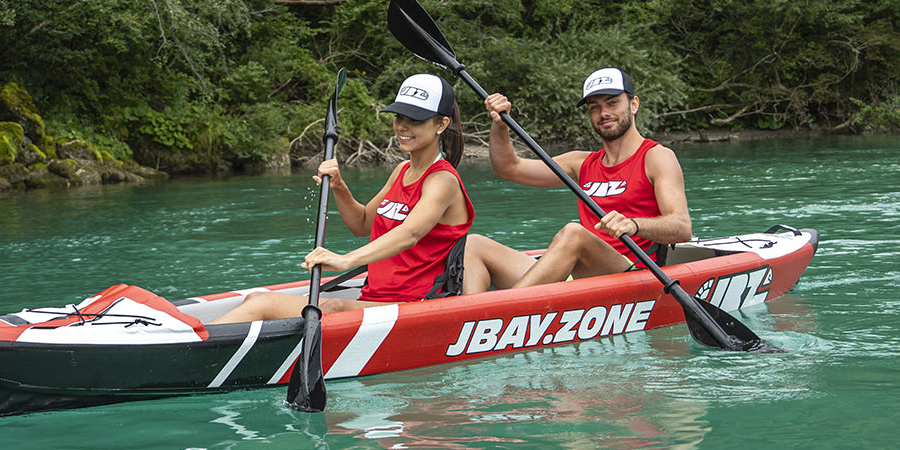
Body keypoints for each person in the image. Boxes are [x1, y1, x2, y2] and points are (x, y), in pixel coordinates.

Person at [210, 73, 474, 323]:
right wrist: (339, 187)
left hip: (414, 305)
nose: (403, 126)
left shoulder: (442, 180)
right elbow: (361, 224)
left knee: (318, 307)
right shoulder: (401, 171)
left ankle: (194, 347)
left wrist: (345, 260)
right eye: (399, 117)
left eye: (415, 119)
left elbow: (411, 233)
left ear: (442, 124)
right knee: (257, 298)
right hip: (375, 299)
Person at [462, 67, 692, 292]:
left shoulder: (656, 156)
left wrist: (634, 224)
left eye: (612, 103)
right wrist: (500, 124)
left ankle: (500, 312)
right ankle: (468, 322)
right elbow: (508, 168)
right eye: (595, 107)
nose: (604, 113)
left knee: (574, 233)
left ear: (633, 104)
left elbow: (681, 227)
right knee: (473, 244)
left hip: (632, 274)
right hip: (580, 274)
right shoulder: (581, 163)